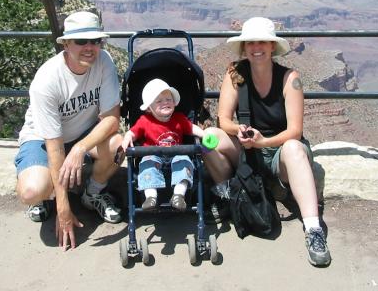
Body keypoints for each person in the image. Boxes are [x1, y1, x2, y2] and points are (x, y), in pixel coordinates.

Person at [204, 17, 331, 267]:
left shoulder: (289, 78)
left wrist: (264, 142)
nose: (256, 47)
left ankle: (314, 230)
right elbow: (223, 120)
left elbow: (295, 131)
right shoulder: (234, 74)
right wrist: (239, 130)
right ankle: (228, 197)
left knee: (295, 149)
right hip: (247, 148)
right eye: (250, 42)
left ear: (273, 46)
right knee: (209, 139)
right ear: (244, 47)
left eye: (262, 41)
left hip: (278, 153)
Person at [14, 11, 123, 250]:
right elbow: (54, 146)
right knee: (31, 191)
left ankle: (92, 193)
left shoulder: (104, 62)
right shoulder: (47, 81)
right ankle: (46, 196)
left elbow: (112, 119)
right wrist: (63, 209)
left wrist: (80, 148)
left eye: (95, 41)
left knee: (119, 146)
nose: (90, 47)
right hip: (43, 140)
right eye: (81, 41)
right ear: (66, 44)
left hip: (83, 135)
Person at [120, 78, 207, 211]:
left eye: (168, 99)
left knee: (185, 161)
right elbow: (133, 132)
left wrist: (204, 135)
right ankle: (151, 197)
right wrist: (127, 137)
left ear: (174, 102)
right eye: (159, 101)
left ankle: (179, 195)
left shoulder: (179, 119)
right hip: (153, 155)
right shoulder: (145, 121)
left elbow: (192, 128)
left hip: (177, 155)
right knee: (147, 164)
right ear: (149, 108)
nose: (165, 103)